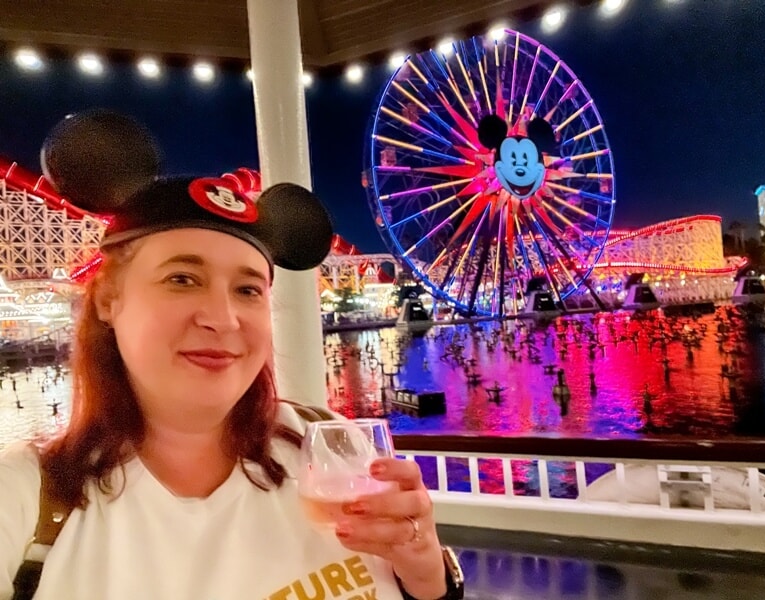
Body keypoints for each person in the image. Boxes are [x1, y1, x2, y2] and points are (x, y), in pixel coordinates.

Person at [0, 111, 463, 600]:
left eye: (247, 289)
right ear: (107, 300)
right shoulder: (25, 502)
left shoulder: (325, 444)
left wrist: (424, 568)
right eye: (182, 279)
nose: (223, 319)